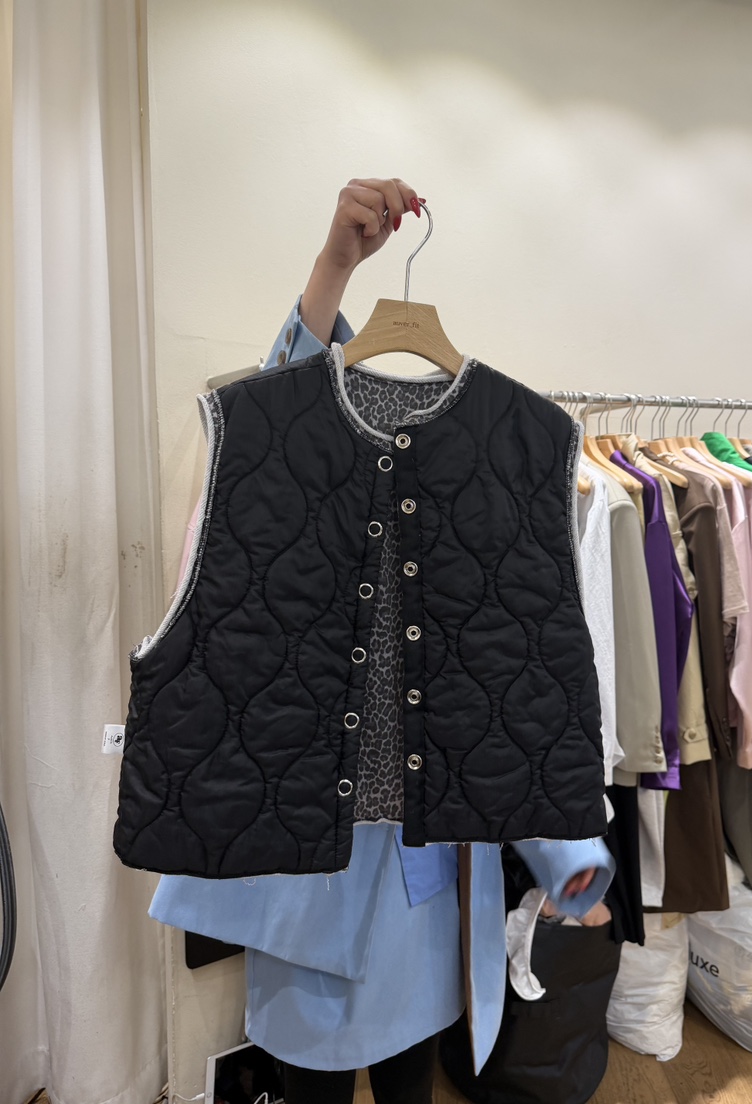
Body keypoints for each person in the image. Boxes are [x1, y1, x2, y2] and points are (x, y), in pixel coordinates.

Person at [149, 177, 615, 1104]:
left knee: (410, 1070)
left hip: (428, 856)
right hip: (307, 850)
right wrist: (334, 266)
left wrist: (568, 852)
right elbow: (267, 438)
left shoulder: (493, 470)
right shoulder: (299, 456)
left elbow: (513, 679)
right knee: (307, 1066)